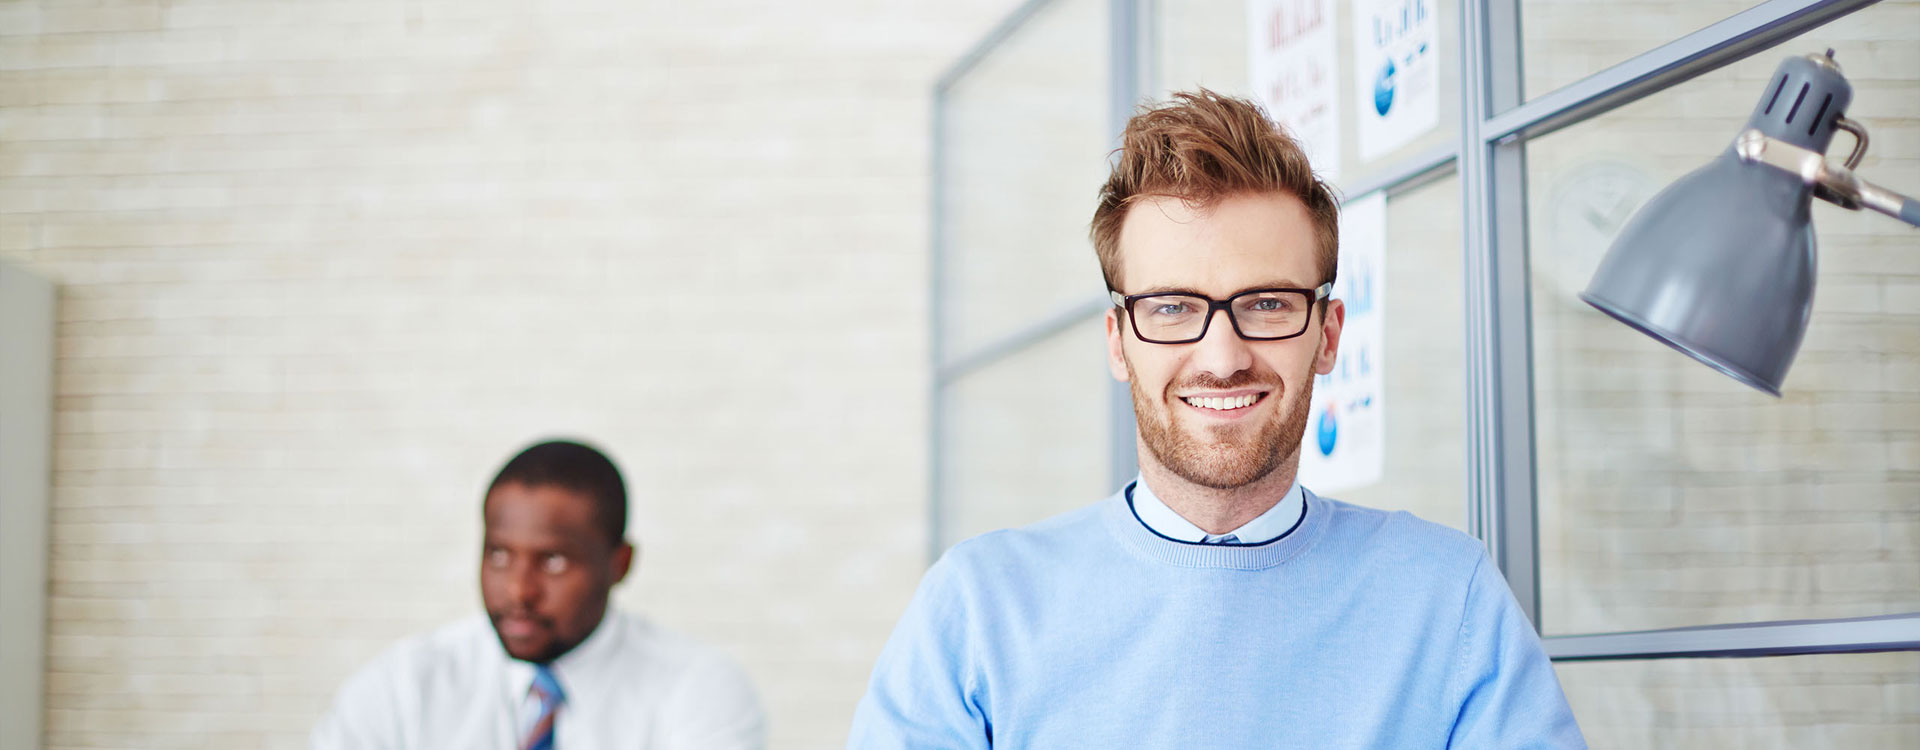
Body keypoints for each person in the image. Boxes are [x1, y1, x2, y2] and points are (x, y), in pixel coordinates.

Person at [847, 90, 1585, 748]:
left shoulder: (1449, 598)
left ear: (1327, 335)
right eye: (1172, 307)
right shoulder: (979, 608)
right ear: (1119, 343)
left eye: (1267, 304)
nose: (1223, 357)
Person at [313, 439, 764, 750]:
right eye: (498, 555)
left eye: (553, 561)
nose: (518, 591)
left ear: (620, 563)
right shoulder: (405, 685)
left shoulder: (698, 687)